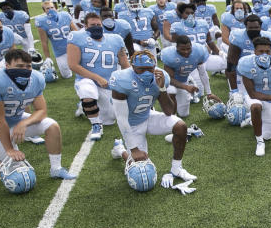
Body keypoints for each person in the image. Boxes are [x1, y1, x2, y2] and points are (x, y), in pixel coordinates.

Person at [0, 48, 76, 178]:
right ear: (7, 66)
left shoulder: (36, 78)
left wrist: (24, 123)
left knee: (52, 126)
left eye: (28, 66)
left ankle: (56, 169)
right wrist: (10, 149)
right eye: (19, 66)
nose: (24, 69)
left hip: (17, 119)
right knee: (21, 177)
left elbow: (41, 110)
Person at [109, 50, 196, 182]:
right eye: (141, 69)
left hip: (147, 115)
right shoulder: (122, 79)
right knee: (141, 173)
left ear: (154, 66)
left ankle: (177, 168)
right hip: (131, 124)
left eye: (149, 69)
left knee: (181, 126)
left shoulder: (162, 77)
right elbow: (121, 118)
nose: (146, 73)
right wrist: (134, 149)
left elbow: (169, 112)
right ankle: (121, 150)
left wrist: (162, 89)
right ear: (133, 67)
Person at [67, 13, 130, 140]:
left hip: (107, 84)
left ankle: (83, 105)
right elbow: (73, 65)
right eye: (92, 25)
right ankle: (96, 124)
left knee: (110, 119)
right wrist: (96, 77)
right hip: (87, 79)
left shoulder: (115, 39)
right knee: (87, 90)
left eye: (98, 24)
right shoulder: (77, 37)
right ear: (85, 26)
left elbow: (125, 65)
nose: (96, 27)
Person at [237, 36, 271, 156]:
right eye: (261, 51)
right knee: (256, 107)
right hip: (254, 97)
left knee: (268, 136)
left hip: (270, 97)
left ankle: (252, 120)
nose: (264, 54)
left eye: (267, 51)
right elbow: (252, 93)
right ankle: (260, 142)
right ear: (254, 52)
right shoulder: (247, 64)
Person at [34, 0, 76, 79]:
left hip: (73, 47)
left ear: (56, 8)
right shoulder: (42, 22)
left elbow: (75, 32)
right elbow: (44, 42)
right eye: (47, 8)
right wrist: (48, 58)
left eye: (52, 7)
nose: (51, 10)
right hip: (60, 51)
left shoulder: (65, 15)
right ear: (44, 11)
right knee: (66, 75)